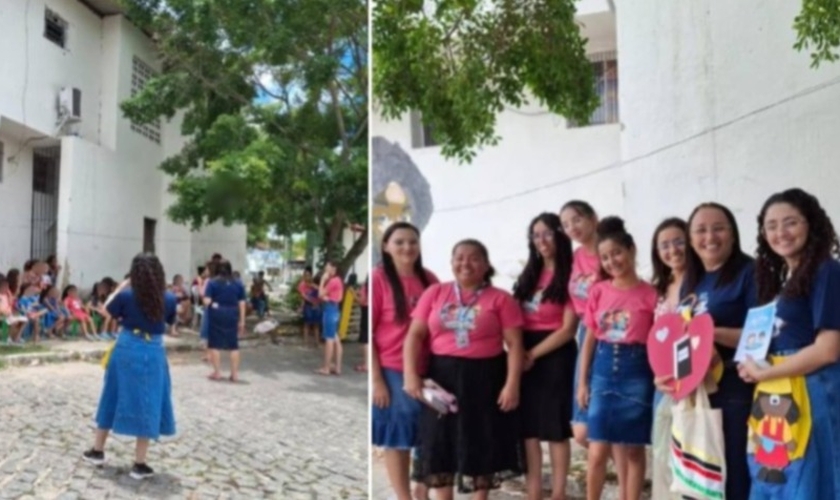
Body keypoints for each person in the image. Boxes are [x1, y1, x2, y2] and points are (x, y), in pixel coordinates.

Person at [736, 188, 840, 499]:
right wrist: (751, 364)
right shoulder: (784, 278)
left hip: (812, 389)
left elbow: (829, 349)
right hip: (777, 390)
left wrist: (766, 373)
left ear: (811, 224)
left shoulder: (827, 270)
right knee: (776, 472)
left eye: (790, 222)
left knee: (810, 478)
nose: (780, 232)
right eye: (771, 225)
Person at [404, 239, 525, 499]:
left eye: (473, 258)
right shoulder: (435, 293)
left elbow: (515, 344)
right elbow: (414, 335)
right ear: (451, 262)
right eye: (459, 257)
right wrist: (410, 374)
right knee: (439, 447)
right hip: (441, 379)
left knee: (480, 445)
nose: (465, 263)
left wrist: (512, 384)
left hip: (485, 380)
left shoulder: (501, 299)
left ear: (485, 265)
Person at [679, 202, 757, 499]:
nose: (709, 236)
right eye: (700, 230)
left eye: (718, 228)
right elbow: (683, 335)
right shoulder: (693, 278)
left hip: (735, 389)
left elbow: (760, 336)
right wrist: (671, 375)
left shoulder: (750, 272)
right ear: (691, 239)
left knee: (731, 476)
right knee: (698, 479)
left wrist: (711, 333)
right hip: (695, 390)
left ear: (733, 234)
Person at [576, 217, 657, 500]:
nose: (612, 261)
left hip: (638, 370)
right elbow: (589, 339)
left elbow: (658, 341)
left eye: (617, 253)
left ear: (632, 250)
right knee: (597, 449)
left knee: (635, 448)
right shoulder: (598, 291)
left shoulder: (651, 294)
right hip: (603, 367)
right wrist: (582, 382)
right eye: (605, 258)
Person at [82, 253, 177, 480]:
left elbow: (106, 309)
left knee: (112, 394)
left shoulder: (125, 296)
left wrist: (123, 285)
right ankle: (140, 463)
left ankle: (97, 451)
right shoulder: (168, 298)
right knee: (149, 399)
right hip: (153, 350)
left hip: (126, 347)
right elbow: (171, 321)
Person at [512, 213, 578, 500]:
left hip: (554, 354)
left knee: (554, 428)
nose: (542, 241)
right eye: (536, 235)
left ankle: (559, 493)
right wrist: (516, 353)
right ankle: (534, 491)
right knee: (528, 429)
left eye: (548, 233)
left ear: (560, 235)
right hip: (523, 352)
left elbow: (568, 329)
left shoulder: (572, 274)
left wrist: (531, 355)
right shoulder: (529, 274)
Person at [371, 222, 438, 500]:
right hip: (392, 369)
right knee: (397, 437)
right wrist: (377, 381)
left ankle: (421, 490)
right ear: (386, 246)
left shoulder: (430, 280)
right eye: (399, 242)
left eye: (412, 241)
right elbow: (370, 334)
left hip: (429, 368)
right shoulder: (378, 279)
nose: (406, 247)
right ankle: (404, 496)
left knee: (431, 433)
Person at [647, 217, 701, 499]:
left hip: (695, 382)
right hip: (664, 384)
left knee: (692, 459)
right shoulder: (659, 286)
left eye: (678, 241)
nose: (673, 250)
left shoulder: (702, 283)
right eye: (664, 245)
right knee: (663, 455)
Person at [559, 200, 604, 451]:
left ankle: (629, 481)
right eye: (566, 224)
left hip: (609, 333)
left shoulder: (609, 251)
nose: (572, 227)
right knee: (582, 430)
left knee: (594, 424)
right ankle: (626, 477)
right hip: (584, 332)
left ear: (593, 217)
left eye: (576, 219)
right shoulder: (575, 258)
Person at [204, 260, 247, 382]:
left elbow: (207, 301)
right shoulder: (238, 283)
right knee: (233, 345)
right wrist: (242, 321)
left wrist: (212, 304)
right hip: (232, 313)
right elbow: (242, 303)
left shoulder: (212, 283)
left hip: (217, 313)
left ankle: (217, 372)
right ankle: (234, 374)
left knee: (215, 343)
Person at [316, 262, 344, 375]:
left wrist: (322, 280)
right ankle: (337, 367)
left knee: (329, 339)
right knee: (335, 339)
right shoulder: (338, 280)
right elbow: (339, 297)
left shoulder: (332, 281)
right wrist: (327, 297)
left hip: (330, 310)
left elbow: (320, 294)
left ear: (333, 268)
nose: (325, 270)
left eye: (327, 268)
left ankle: (326, 367)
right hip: (335, 309)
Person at [298, 267, 321, 348]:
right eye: (305, 275)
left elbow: (321, 292)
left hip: (316, 306)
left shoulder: (314, 285)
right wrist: (313, 302)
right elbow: (303, 296)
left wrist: (313, 286)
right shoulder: (302, 285)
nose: (307, 277)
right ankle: (305, 343)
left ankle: (317, 343)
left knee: (316, 325)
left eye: (309, 275)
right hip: (308, 306)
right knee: (307, 324)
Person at [356, 275, 369, 373]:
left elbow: (362, 301)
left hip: (366, 311)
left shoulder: (365, 287)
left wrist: (355, 295)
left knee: (365, 339)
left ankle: (366, 364)